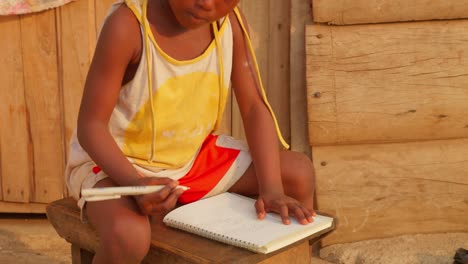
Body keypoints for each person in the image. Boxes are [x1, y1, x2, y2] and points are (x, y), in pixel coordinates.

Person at [65, 0, 317, 263]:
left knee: (297, 174)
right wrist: (135, 184)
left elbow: (254, 107)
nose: (206, 3)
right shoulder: (128, 25)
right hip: (117, 165)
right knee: (128, 236)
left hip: (191, 161)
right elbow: (90, 127)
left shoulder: (229, 24)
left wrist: (272, 189)